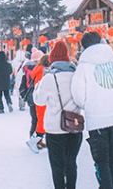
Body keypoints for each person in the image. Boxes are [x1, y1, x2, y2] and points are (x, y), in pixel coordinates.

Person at [71, 32, 113, 189]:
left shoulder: (84, 66)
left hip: (97, 119)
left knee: (101, 160)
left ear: (84, 46)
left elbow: (78, 95)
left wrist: (89, 105)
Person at [34, 40, 82, 189]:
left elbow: (39, 101)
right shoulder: (77, 75)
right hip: (74, 126)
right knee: (71, 163)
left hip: (54, 129)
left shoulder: (49, 78)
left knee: (57, 166)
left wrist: (37, 87)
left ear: (52, 60)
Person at [12, 46, 29, 111]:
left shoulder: (14, 61)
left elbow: (12, 70)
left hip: (17, 77)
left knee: (18, 90)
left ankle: (20, 103)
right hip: (25, 76)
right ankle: (24, 102)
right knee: (24, 88)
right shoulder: (26, 61)